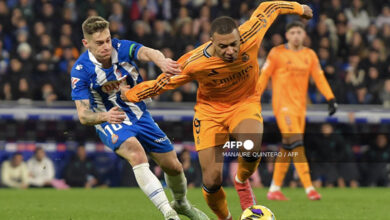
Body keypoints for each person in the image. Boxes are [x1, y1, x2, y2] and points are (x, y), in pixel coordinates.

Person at [121, 2, 313, 219]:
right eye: (223, 47)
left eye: (234, 44)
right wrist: (129, 95)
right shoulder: (195, 62)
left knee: (251, 148)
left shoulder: (251, 33)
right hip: (209, 113)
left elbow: (270, 7)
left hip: (244, 103)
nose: (230, 50)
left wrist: (299, 8)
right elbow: (162, 83)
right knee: (212, 181)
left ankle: (241, 181)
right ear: (212, 42)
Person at [70, 16, 207, 220]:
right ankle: (169, 214)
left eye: (107, 40)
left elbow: (146, 52)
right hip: (111, 120)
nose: (106, 46)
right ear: (86, 43)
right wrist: (105, 115)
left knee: (174, 167)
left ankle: (181, 204)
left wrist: (161, 61)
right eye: (99, 43)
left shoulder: (120, 47)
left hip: (140, 114)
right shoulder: (81, 71)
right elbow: (83, 115)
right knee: (136, 153)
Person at [257, 21, 338, 201]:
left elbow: (319, 77)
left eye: (299, 32)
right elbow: (264, 77)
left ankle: (274, 189)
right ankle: (309, 188)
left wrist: (330, 98)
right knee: (297, 143)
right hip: (283, 106)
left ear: (304, 35)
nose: (295, 35)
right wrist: (255, 97)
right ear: (287, 35)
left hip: (300, 108)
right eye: (292, 32)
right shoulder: (276, 53)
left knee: (288, 147)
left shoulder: (310, 55)